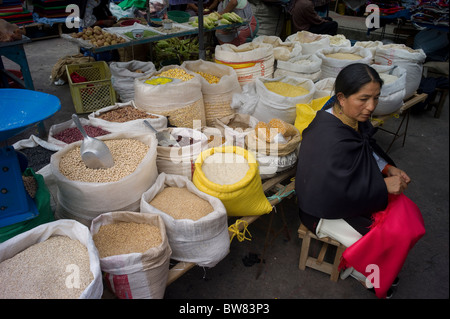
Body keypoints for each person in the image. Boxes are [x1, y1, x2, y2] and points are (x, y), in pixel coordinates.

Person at [295, 63, 425, 299]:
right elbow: (329, 191)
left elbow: (365, 148)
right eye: (364, 98)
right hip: (322, 209)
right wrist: (382, 186)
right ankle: (372, 277)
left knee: (406, 214)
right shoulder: (325, 138)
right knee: (383, 237)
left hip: (351, 196)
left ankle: (376, 269)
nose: (371, 107)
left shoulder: (353, 116)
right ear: (342, 98)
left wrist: (387, 167)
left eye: (376, 98)